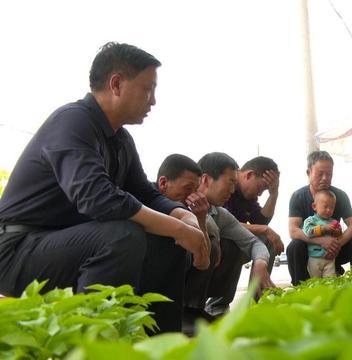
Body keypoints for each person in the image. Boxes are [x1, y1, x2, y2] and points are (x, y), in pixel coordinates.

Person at [0, 42, 209, 333]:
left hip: (65, 243)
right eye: (148, 89)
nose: (153, 101)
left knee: (167, 242)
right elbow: (97, 198)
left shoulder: (120, 140)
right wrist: (179, 228)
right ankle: (93, 345)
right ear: (116, 84)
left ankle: (159, 344)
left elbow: (144, 193)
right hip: (18, 249)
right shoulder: (72, 121)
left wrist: (181, 216)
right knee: (122, 236)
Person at [190, 152, 275, 320]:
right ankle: (188, 309)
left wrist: (260, 262)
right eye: (230, 182)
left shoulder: (220, 213)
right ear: (206, 180)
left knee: (232, 244)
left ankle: (212, 308)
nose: (233, 189)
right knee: (212, 244)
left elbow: (254, 243)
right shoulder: (180, 204)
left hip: (209, 268)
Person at [286, 151, 352, 285]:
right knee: (294, 246)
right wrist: (320, 241)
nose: (325, 178)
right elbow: (293, 230)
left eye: (329, 174)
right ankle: (300, 287)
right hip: (310, 252)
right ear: (308, 172)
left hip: (335, 250)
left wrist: (337, 244)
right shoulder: (298, 196)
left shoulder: (340, 196)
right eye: (320, 173)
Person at [223, 156, 284, 273]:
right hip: (220, 239)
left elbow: (260, 222)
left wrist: (274, 194)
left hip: (236, 240)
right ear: (249, 175)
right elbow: (223, 223)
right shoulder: (227, 187)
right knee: (231, 245)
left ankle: (259, 290)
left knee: (268, 239)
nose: (260, 194)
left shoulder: (248, 196)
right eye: (261, 187)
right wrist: (265, 230)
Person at [303, 190, 342, 278]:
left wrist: (337, 232)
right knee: (315, 281)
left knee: (330, 281)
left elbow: (339, 235)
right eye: (325, 207)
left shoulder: (333, 222)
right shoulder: (311, 220)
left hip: (329, 258)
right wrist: (322, 228)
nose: (328, 210)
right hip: (314, 258)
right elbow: (308, 232)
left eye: (332, 207)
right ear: (314, 206)